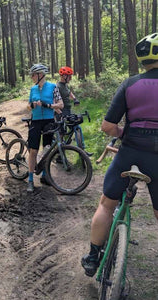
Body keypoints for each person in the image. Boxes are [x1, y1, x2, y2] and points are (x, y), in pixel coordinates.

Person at [81, 32, 158, 277]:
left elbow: (108, 127)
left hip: (129, 152)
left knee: (106, 204)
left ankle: (93, 257)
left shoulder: (130, 84)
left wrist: (127, 132)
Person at [27, 63, 64, 192]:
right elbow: (28, 106)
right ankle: (30, 179)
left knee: (47, 149)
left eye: (33, 75)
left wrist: (48, 105)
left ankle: (44, 175)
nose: (31, 77)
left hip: (48, 120)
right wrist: (32, 105)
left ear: (40, 75)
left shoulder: (53, 87)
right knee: (33, 151)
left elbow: (61, 104)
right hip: (36, 121)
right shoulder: (33, 89)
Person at [56, 66, 92, 156]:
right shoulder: (57, 87)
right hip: (61, 112)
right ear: (64, 76)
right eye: (69, 76)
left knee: (76, 127)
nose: (71, 78)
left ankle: (82, 150)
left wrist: (75, 99)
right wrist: (59, 113)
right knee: (61, 132)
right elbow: (54, 100)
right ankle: (60, 155)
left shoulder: (65, 85)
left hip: (68, 110)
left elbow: (69, 93)